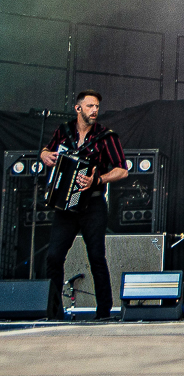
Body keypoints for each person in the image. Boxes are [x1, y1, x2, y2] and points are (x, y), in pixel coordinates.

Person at [39, 90, 128, 320]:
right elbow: (47, 150)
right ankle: (54, 313)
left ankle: (103, 312)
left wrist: (97, 180)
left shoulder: (106, 136)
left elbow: (122, 170)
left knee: (96, 256)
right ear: (78, 108)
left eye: (97, 106)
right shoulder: (64, 131)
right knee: (54, 257)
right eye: (90, 106)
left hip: (93, 204)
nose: (95, 110)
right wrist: (44, 155)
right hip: (65, 205)